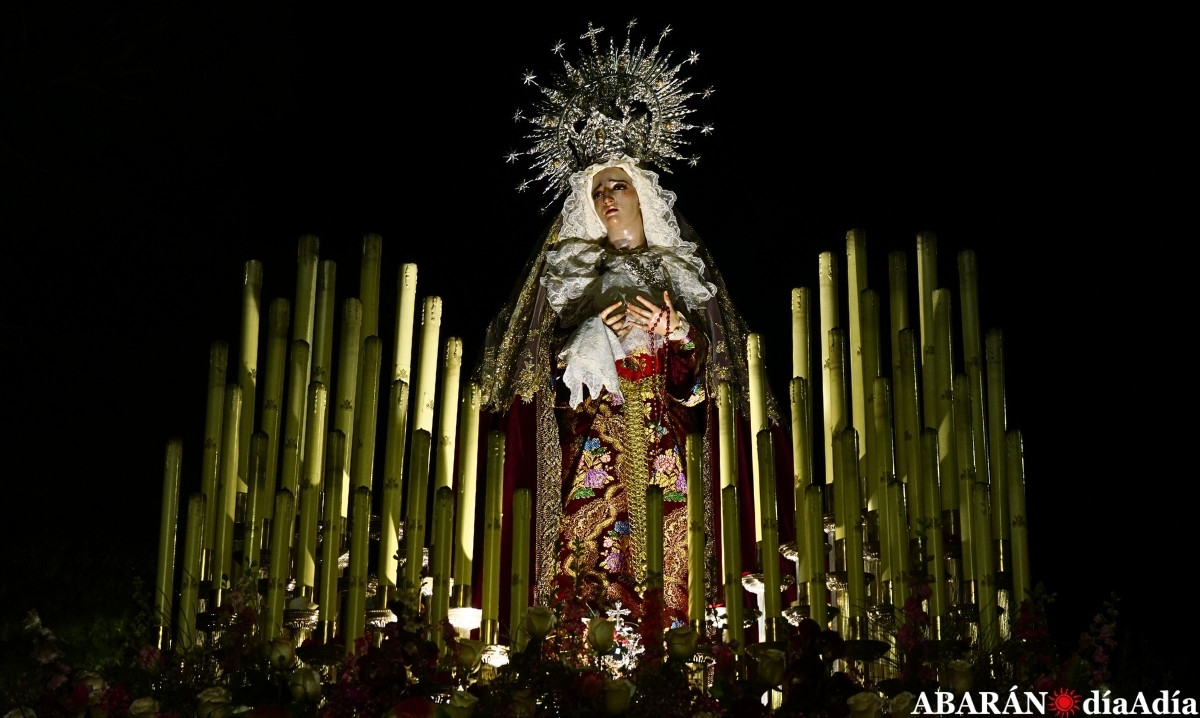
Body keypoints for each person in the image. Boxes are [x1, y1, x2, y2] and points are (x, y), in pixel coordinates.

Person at [471, 21, 793, 633]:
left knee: (679, 568)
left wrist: (681, 339)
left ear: (645, 191)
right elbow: (528, 377)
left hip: (671, 445)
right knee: (585, 564)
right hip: (593, 443)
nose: (607, 199)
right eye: (596, 191)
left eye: (618, 184)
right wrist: (584, 340)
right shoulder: (567, 276)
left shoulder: (683, 272)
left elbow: (721, 384)